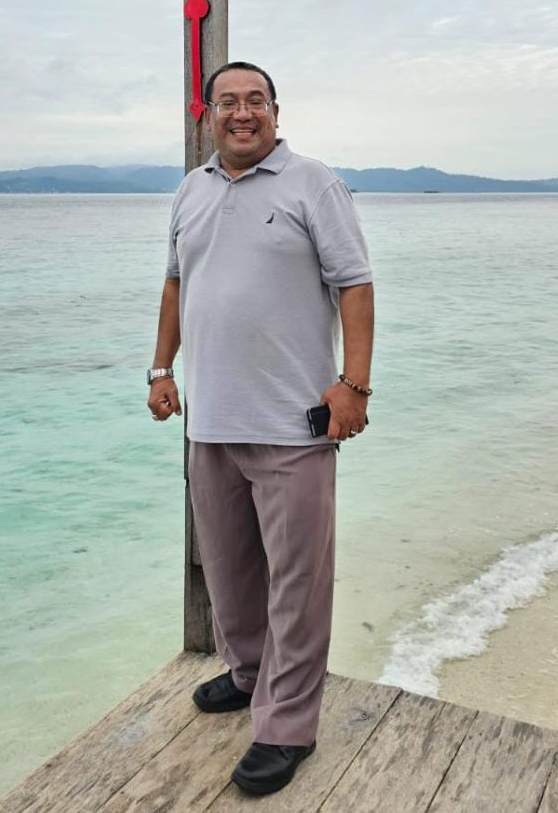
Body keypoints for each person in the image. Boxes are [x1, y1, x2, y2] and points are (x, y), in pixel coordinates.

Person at [147, 61, 373, 796]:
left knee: (297, 584)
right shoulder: (191, 190)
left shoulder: (315, 183)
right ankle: (247, 675)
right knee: (230, 571)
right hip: (210, 420)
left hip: (294, 424)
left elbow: (355, 284)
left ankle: (286, 726)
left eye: (255, 101)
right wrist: (160, 370)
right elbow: (178, 283)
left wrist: (354, 384)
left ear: (276, 110)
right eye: (227, 102)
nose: (242, 113)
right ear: (206, 115)